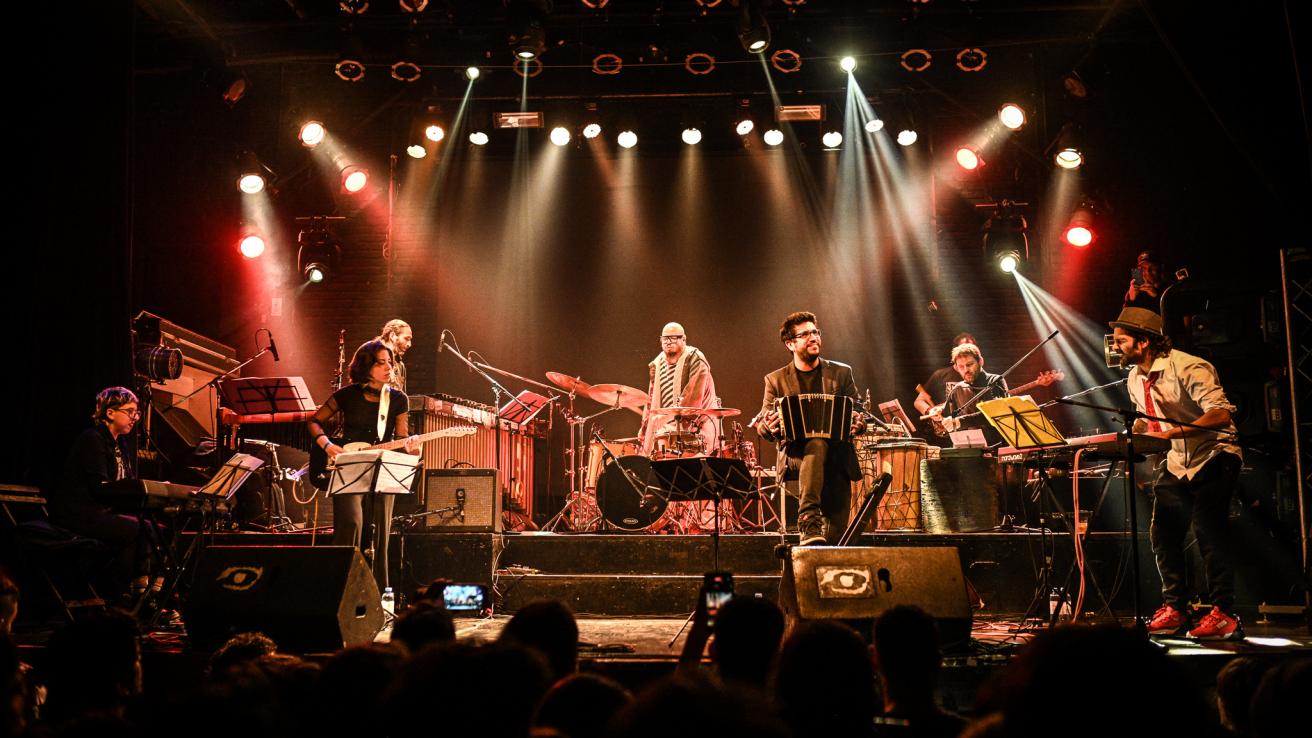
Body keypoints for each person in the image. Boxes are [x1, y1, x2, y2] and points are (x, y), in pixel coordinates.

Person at [1109, 306, 1243, 639]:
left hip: (1215, 453)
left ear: (1143, 341)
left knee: (1209, 533)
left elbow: (1221, 414)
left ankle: (1224, 614)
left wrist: (1169, 435)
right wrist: (1134, 433)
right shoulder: (1134, 376)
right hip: (1178, 460)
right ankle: (1177, 610)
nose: (1115, 347)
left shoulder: (1188, 366)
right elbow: (1146, 419)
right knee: (1163, 534)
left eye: (1121, 341)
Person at [307, 339, 420, 588]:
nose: (389, 367)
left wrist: (413, 448)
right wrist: (326, 445)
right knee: (351, 524)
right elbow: (314, 421)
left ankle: (378, 594)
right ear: (366, 366)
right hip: (350, 465)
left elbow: (401, 439)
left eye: (389, 362)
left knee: (381, 533)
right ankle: (338, 589)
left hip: (383, 466)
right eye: (381, 363)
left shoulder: (399, 399)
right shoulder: (347, 395)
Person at [756, 312, 865, 546]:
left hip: (838, 458)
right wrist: (769, 426)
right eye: (805, 334)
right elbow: (764, 425)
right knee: (816, 443)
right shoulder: (775, 380)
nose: (813, 337)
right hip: (797, 456)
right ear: (790, 344)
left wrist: (858, 423)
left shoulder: (841, 373)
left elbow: (857, 411)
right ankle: (808, 518)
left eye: (816, 332)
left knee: (835, 539)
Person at [53, 386, 154, 600]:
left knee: (159, 527)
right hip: (82, 513)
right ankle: (129, 594)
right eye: (130, 411)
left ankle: (152, 591)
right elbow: (100, 487)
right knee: (138, 530)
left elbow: (123, 482)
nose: (134, 417)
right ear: (109, 413)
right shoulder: (93, 439)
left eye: (137, 412)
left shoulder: (121, 445)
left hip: (105, 511)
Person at [637, 322, 719, 458]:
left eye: (674, 338)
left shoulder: (696, 358)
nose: (669, 342)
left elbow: (691, 405)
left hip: (697, 428)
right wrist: (645, 426)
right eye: (665, 338)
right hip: (667, 428)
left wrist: (664, 421)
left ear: (684, 339)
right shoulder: (657, 363)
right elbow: (651, 399)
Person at [924, 343, 1009, 445]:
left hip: (997, 447)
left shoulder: (995, 380)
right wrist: (938, 415)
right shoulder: (958, 389)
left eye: (969, 365)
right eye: (961, 366)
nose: (966, 370)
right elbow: (947, 418)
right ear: (956, 368)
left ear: (980, 361)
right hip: (969, 450)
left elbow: (995, 413)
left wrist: (960, 422)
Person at [913, 332, 977, 444]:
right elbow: (919, 401)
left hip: (969, 433)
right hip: (943, 436)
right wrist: (930, 411)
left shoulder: (976, 377)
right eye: (964, 349)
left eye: (970, 349)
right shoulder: (940, 375)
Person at [378, 318, 413, 393]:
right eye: (406, 338)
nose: (409, 344)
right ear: (392, 336)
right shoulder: (372, 357)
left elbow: (403, 399)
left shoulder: (401, 366)